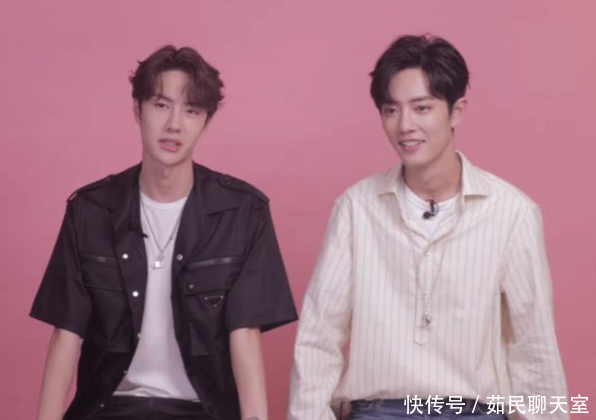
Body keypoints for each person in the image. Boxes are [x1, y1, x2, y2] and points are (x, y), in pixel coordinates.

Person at [288, 34, 569, 420]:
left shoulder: (512, 213)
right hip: (379, 412)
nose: (405, 125)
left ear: (456, 111)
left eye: (422, 108)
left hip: (475, 412)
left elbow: (534, 345)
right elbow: (319, 337)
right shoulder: (356, 208)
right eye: (391, 110)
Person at [31, 45, 297, 420]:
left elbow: (244, 332)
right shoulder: (91, 210)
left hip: (201, 411)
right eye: (161, 105)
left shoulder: (242, 212)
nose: (174, 124)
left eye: (192, 110)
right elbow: (67, 332)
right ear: (137, 109)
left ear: (206, 122)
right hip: (110, 408)